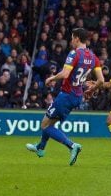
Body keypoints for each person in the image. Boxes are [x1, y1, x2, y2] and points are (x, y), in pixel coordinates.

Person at [25, 28, 104, 166]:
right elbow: (101, 80)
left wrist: (52, 78)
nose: (71, 41)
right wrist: (93, 88)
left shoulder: (74, 54)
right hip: (77, 95)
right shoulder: (93, 57)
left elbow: (65, 74)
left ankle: (72, 146)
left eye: (72, 38)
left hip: (67, 95)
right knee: (49, 122)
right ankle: (40, 148)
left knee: (45, 125)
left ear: (77, 39)